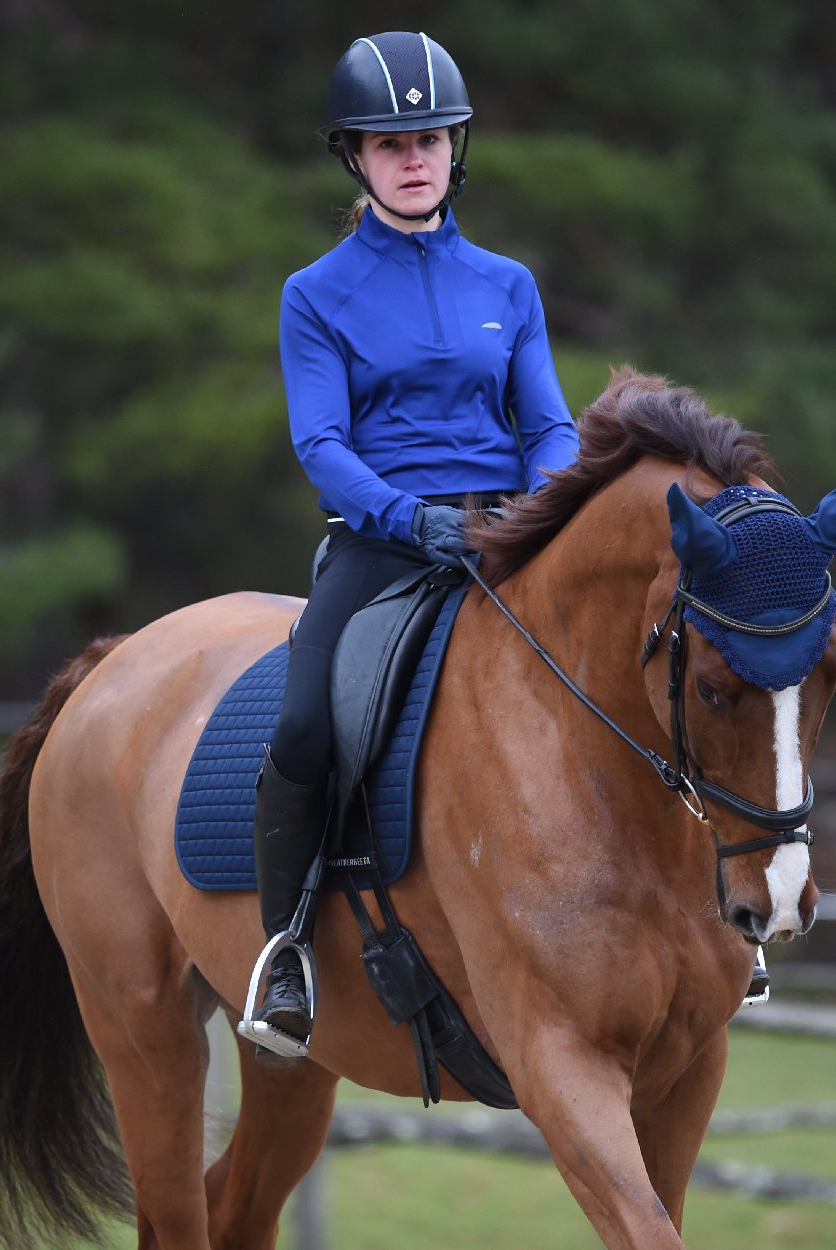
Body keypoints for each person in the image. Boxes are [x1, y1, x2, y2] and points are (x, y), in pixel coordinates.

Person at [249, 30, 579, 1059]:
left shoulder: (508, 284)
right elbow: (321, 444)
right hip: (385, 541)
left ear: (455, 148)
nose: (414, 156)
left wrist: (544, 501)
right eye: (390, 143)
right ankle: (286, 946)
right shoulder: (315, 292)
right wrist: (407, 516)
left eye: (431, 137)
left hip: (505, 533)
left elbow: (552, 424)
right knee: (305, 725)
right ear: (353, 155)